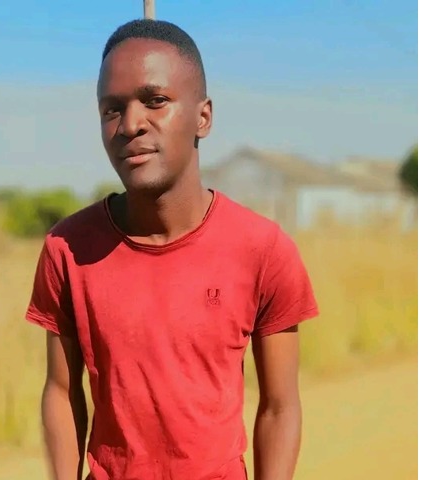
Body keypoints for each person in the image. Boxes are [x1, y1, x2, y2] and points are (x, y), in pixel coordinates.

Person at [25, 18, 319, 480]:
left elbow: (280, 407)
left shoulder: (263, 249)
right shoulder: (68, 249)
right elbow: (62, 391)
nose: (130, 125)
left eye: (155, 101)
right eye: (111, 109)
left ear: (203, 117)